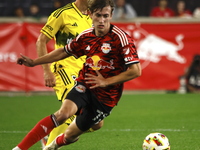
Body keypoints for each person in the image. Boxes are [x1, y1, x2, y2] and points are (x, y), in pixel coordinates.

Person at [13, 0, 141, 149]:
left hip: (106, 96)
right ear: (90, 14)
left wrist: (106, 81)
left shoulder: (121, 38)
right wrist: (37, 63)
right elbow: (62, 51)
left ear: (111, 15)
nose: (101, 20)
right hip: (80, 80)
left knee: (92, 126)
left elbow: (136, 70)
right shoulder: (80, 30)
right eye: (98, 15)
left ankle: (56, 139)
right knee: (63, 114)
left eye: (105, 16)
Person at [34, 0, 103, 148]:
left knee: (97, 122)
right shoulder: (63, 14)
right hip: (64, 69)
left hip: (83, 73)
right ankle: (50, 145)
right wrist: (46, 71)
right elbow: (41, 41)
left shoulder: (93, 16)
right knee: (72, 110)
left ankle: (54, 134)